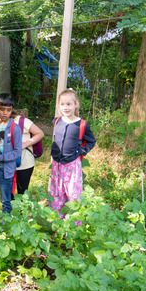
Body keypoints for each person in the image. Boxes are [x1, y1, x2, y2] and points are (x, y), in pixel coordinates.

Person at [49, 88, 96, 217]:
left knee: (73, 195)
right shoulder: (57, 121)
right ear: (59, 105)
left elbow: (91, 141)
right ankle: (57, 223)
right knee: (56, 193)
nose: (65, 107)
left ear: (76, 104)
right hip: (57, 165)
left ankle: (74, 226)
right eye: (62, 104)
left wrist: (81, 151)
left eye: (69, 104)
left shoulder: (81, 124)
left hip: (72, 165)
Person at [12, 108, 44, 196]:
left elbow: (40, 133)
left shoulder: (22, 121)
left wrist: (25, 144)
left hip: (25, 163)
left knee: (22, 192)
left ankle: (23, 209)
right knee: (8, 193)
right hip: (7, 164)